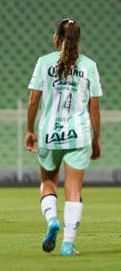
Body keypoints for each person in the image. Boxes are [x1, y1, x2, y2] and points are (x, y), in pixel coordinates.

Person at [25, 18, 103, 256]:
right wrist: (96, 139)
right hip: (78, 133)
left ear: (56, 38)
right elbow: (94, 107)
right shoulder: (88, 65)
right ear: (77, 39)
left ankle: (52, 221)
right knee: (74, 189)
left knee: (48, 182)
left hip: (49, 132)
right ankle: (68, 243)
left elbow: (33, 100)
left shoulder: (44, 62)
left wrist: (29, 129)